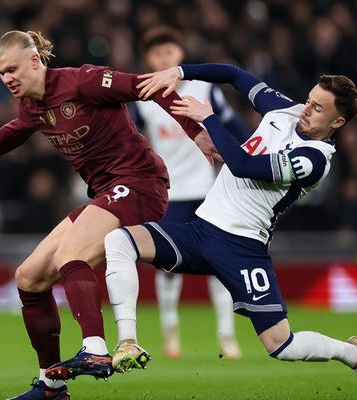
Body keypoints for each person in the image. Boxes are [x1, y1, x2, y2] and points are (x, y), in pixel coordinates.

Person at [0, 31, 219, 400]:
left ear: (34, 61)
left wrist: (196, 132)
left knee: (70, 254)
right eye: (0, 73)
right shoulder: (31, 106)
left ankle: (95, 348)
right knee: (29, 277)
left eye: (12, 69)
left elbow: (150, 86)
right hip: (106, 193)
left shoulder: (85, 81)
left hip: (139, 183)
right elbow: (15, 131)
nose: (7, 78)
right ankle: (51, 388)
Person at [104, 63, 357, 395]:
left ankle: (355, 355)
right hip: (200, 232)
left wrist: (208, 118)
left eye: (317, 108)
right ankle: (127, 342)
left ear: (337, 122)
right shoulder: (285, 110)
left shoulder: (313, 160)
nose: (306, 109)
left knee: (281, 345)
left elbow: (242, 165)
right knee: (120, 241)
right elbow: (235, 75)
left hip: (243, 249)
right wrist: (181, 72)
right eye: (309, 100)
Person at [130, 26, 242, 360]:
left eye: (169, 51)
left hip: (208, 190)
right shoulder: (143, 98)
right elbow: (129, 140)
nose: (164, 58)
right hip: (168, 193)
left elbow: (232, 124)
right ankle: (170, 331)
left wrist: (254, 149)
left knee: (219, 262)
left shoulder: (203, 88)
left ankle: (227, 335)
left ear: (180, 54)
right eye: (157, 53)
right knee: (167, 266)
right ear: (148, 59)